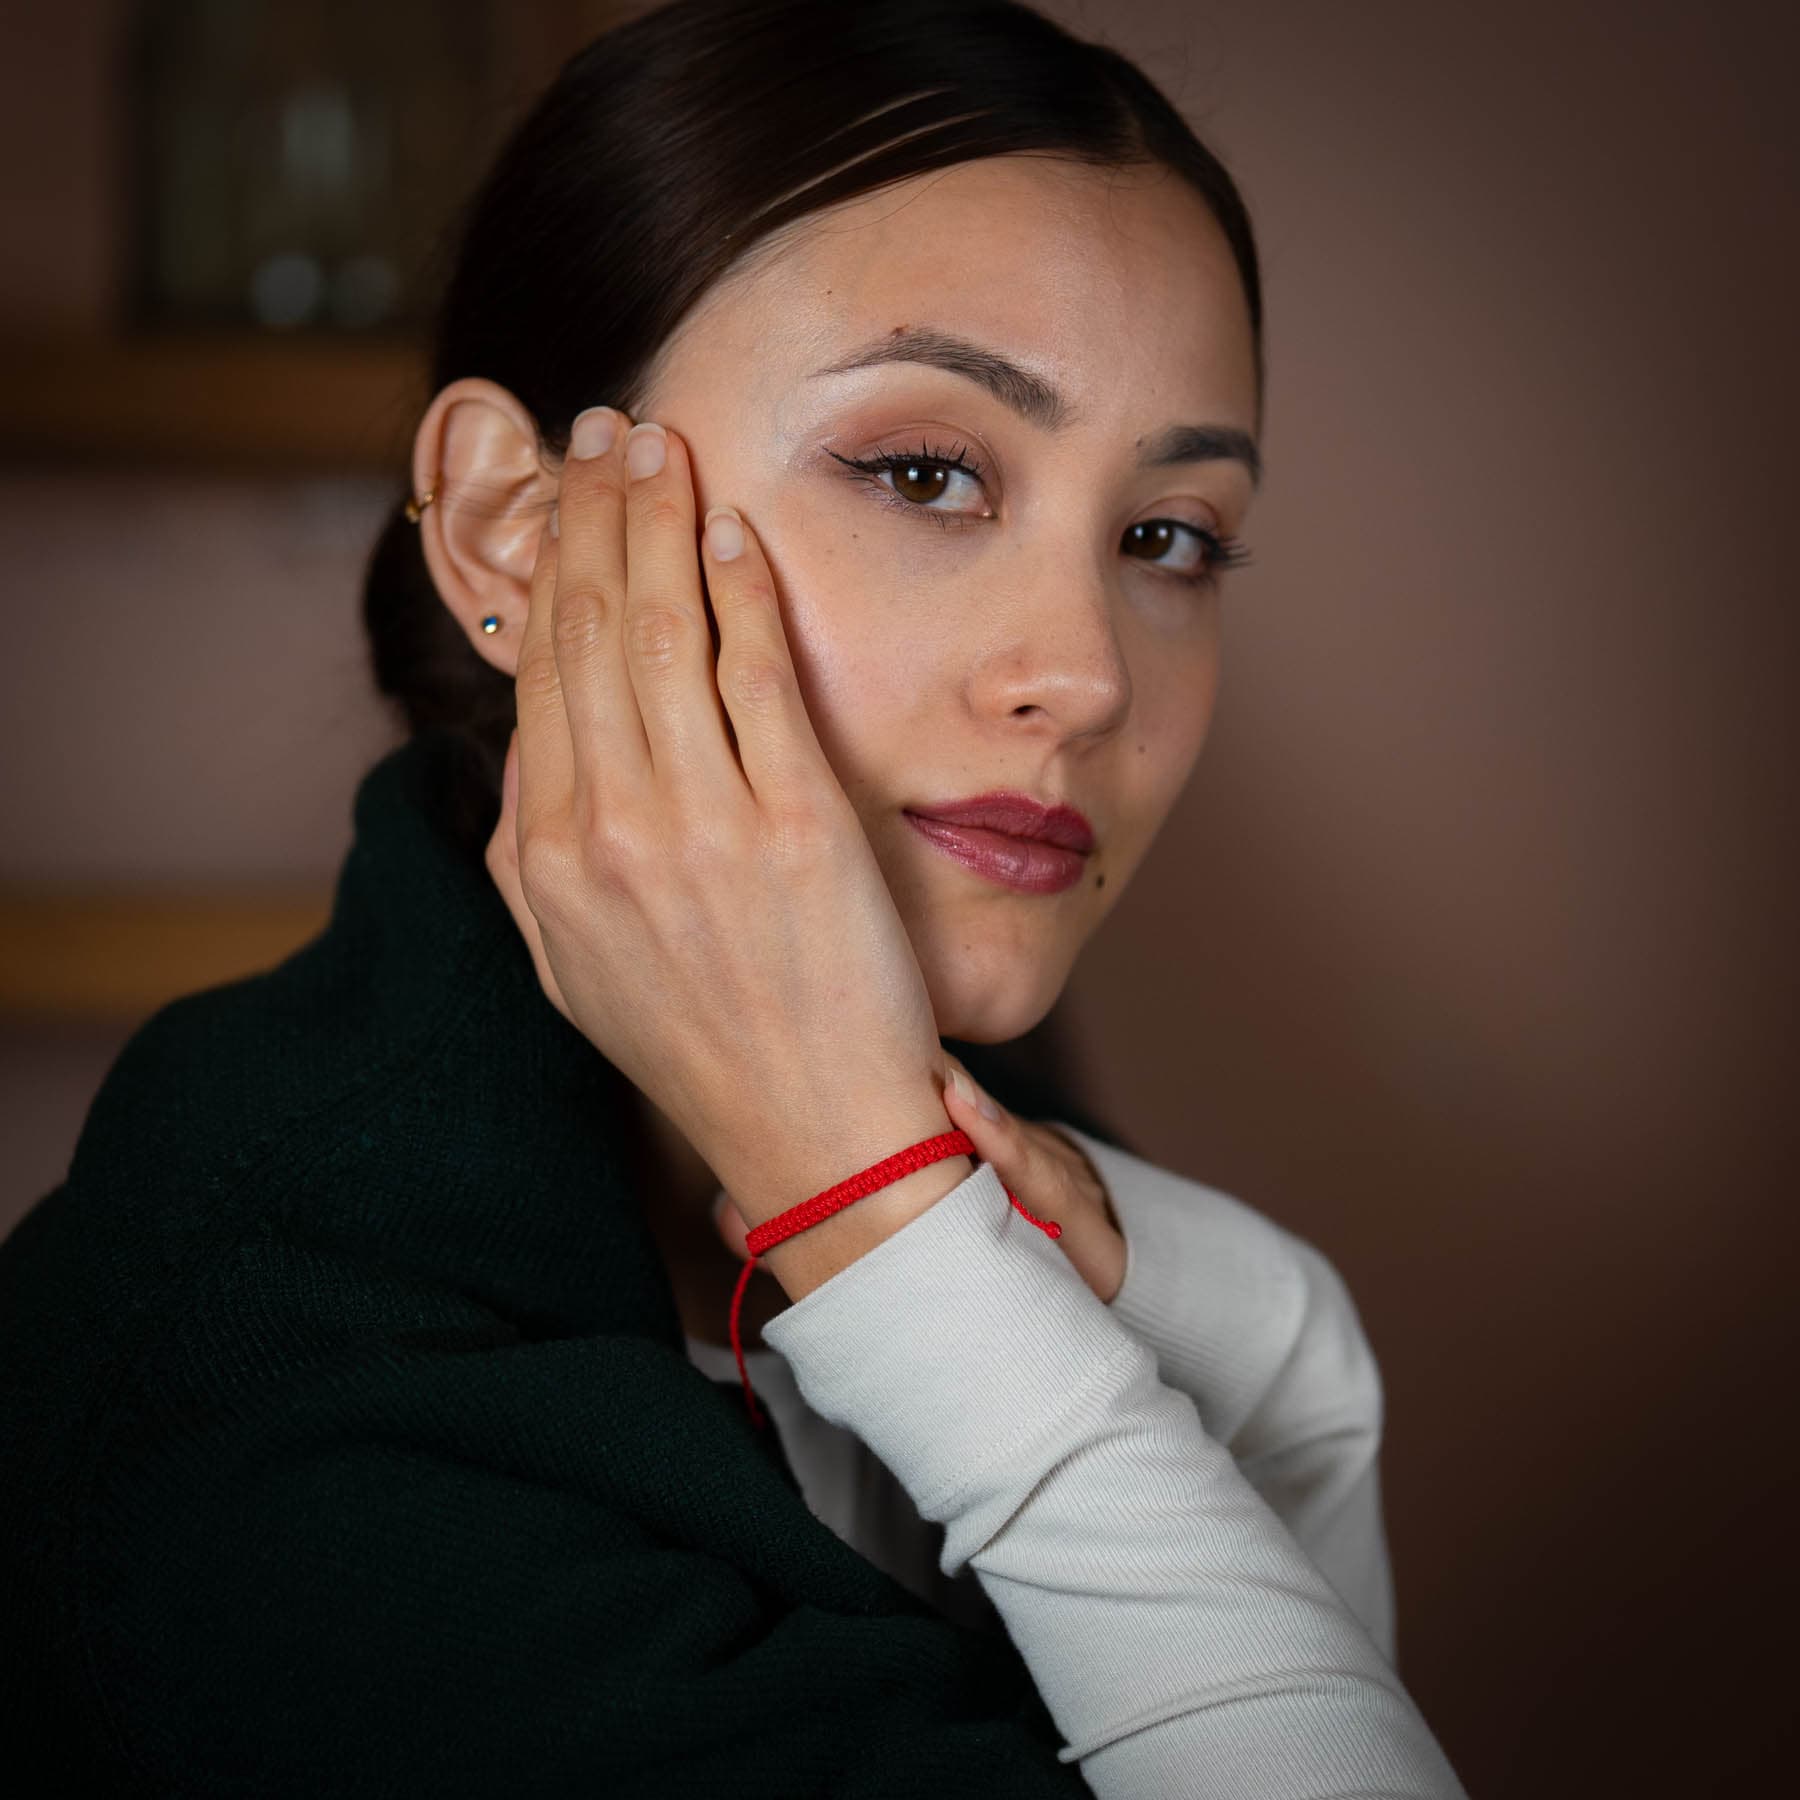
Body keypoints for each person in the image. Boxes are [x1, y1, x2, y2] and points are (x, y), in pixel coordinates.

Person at [0, 1, 1471, 1793]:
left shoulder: (988, 1102)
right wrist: (905, 1240)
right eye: (924, 471)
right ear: (508, 530)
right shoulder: (274, 1353)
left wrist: (1224, 1310)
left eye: (1168, 536)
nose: (1087, 674)